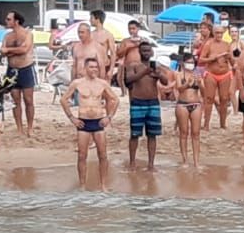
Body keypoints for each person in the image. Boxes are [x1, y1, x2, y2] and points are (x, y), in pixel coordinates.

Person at [60, 57, 120, 190]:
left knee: (103, 154)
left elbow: (115, 100)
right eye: (91, 67)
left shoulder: (102, 84)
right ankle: (82, 185)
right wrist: (72, 118)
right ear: (85, 68)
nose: (94, 70)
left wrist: (109, 117)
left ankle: (103, 185)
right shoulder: (77, 83)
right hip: (83, 122)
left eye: (96, 67)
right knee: (82, 155)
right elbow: (64, 100)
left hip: (98, 121)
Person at [123, 41, 174, 172]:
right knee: (135, 134)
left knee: (152, 135)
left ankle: (151, 164)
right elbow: (128, 80)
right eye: (144, 50)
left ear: (151, 52)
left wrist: (158, 75)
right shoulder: (133, 65)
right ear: (139, 52)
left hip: (153, 103)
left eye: (148, 50)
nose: (146, 53)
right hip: (137, 101)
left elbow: (165, 81)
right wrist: (144, 72)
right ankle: (132, 162)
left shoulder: (156, 66)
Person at [2, 11, 37, 135]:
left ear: (16, 21)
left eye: (8, 19)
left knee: (28, 100)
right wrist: (12, 51)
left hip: (26, 68)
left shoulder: (28, 34)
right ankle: (19, 128)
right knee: (15, 100)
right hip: (12, 69)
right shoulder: (7, 36)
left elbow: (24, 49)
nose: (6, 21)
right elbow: (2, 51)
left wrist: (9, 50)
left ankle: (30, 127)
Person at [198, 23, 236, 131]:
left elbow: (232, 62)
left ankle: (223, 124)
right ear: (213, 33)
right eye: (217, 32)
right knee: (209, 98)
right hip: (211, 73)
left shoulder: (226, 44)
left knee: (224, 99)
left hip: (224, 73)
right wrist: (212, 58)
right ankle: (206, 124)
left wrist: (230, 57)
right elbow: (201, 60)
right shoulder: (209, 44)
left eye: (221, 32)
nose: (219, 35)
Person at [169, 51, 204, 169]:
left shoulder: (197, 74)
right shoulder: (179, 74)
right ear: (183, 63)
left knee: (196, 133)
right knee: (183, 133)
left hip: (196, 103)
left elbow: (204, 92)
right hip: (182, 104)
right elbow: (179, 89)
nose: (191, 64)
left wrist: (200, 83)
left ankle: (196, 161)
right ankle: (184, 160)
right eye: (188, 62)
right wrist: (188, 84)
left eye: (192, 62)